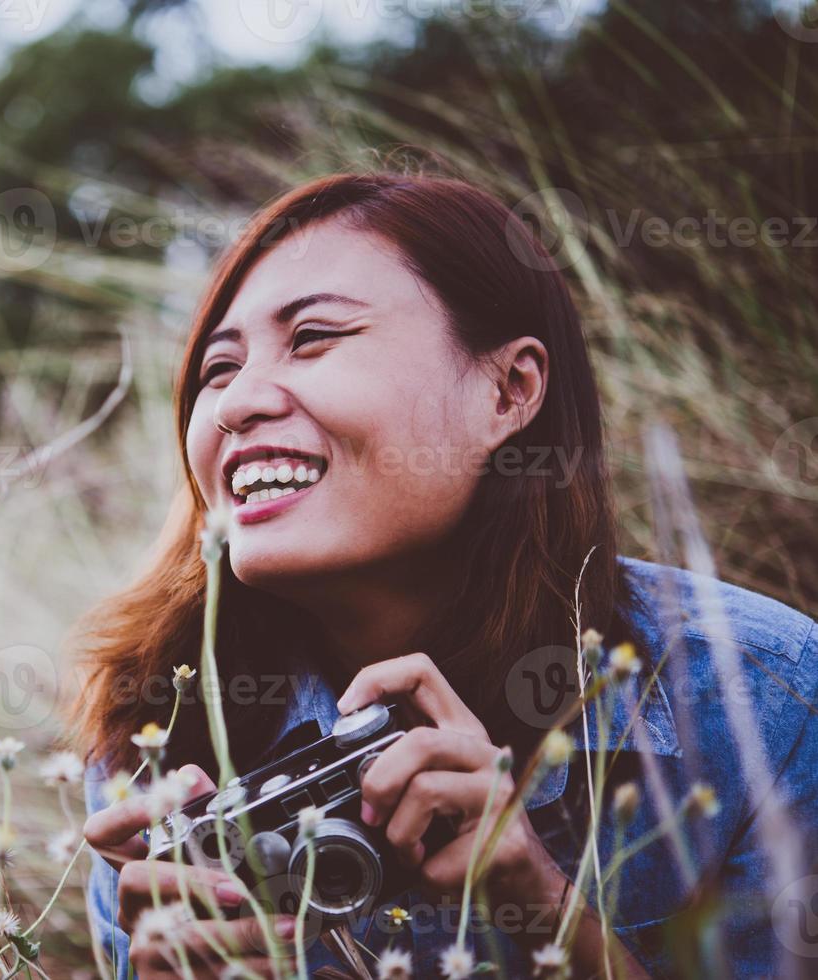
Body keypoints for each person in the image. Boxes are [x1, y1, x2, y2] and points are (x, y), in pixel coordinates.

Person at [66, 173, 818, 979]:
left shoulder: (765, 698)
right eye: (218, 367)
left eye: (313, 336)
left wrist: (534, 905)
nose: (235, 403)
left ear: (507, 390)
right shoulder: (157, 729)